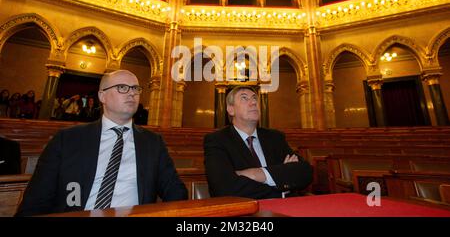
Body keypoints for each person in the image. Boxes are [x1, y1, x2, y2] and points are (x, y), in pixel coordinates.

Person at [16, 70, 187, 216]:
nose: (132, 93)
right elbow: (36, 201)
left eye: (136, 88)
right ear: (102, 95)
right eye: (122, 87)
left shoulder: (152, 142)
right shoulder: (66, 139)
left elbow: (176, 191)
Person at [204, 86, 313, 199]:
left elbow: (305, 172)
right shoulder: (217, 140)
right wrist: (280, 183)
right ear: (231, 109)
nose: (253, 102)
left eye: (255, 98)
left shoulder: (275, 137)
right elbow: (224, 188)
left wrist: (258, 174)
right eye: (244, 98)